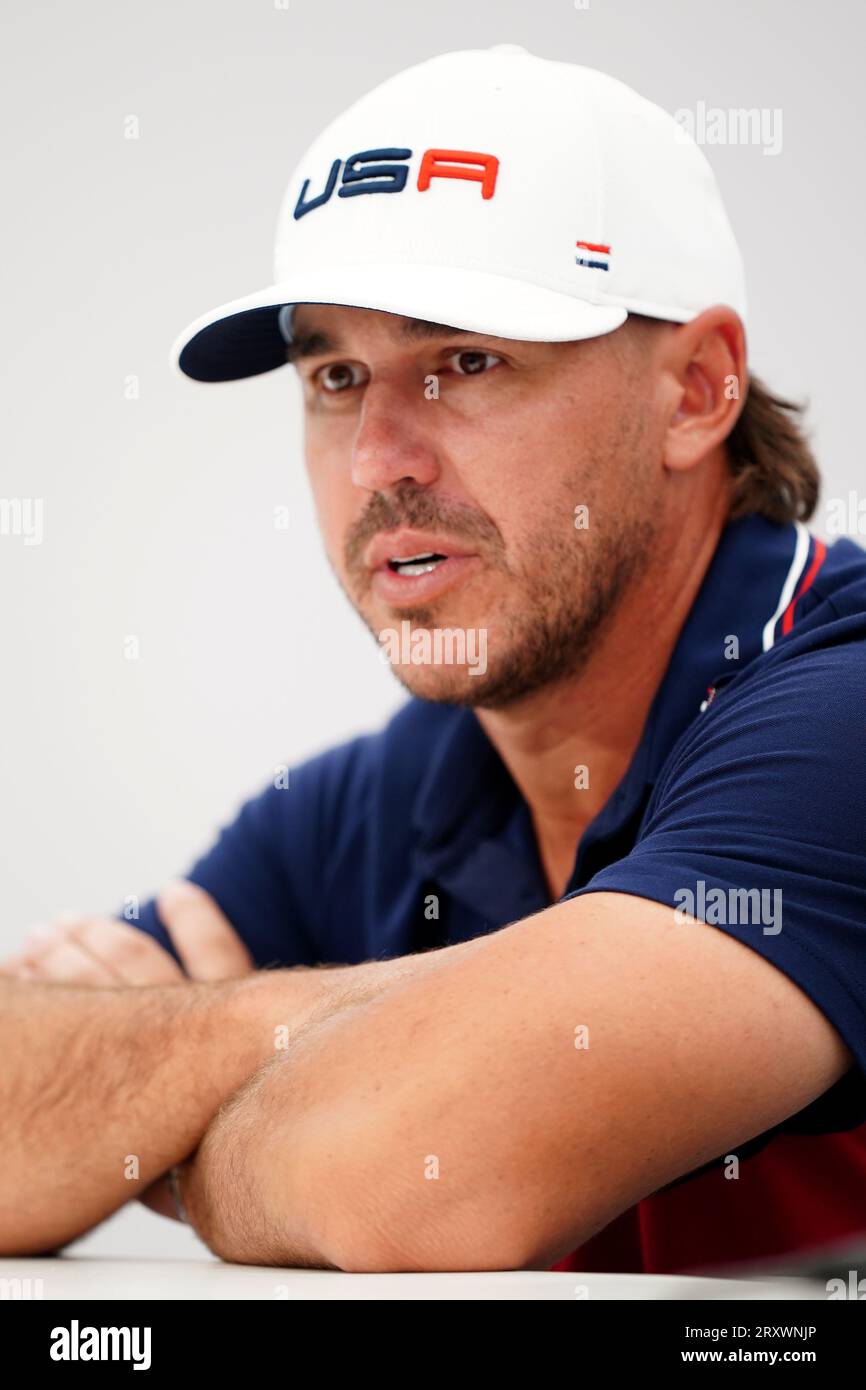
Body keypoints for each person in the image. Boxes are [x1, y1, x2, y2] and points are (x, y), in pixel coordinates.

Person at [3, 45, 865, 1274]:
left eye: (464, 361)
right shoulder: (380, 796)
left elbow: (407, 1180)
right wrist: (280, 1040)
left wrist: (153, 1094)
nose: (377, 458)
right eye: (335, 376)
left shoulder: (841, 719)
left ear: (695, 391)